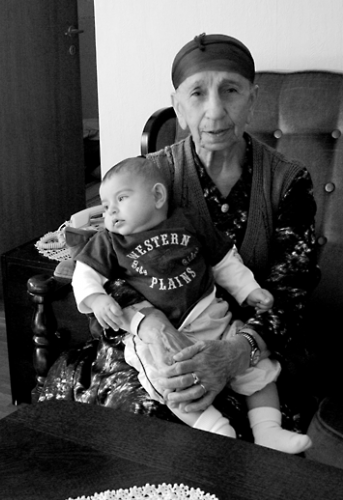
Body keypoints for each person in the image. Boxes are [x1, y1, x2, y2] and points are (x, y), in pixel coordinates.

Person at [40, 33, 320, 445]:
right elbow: (104, 267)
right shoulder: (149, 178)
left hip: (248, 342)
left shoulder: (287, 181)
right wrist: (145, 319)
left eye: (231, 90)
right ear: (178, 107)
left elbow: (291, 293)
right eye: (197, 93)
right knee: (144, 418)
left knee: (261, 428)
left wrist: (237, 351)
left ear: (253, 99)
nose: (215, 111)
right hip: (155, 342)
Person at [73, 156, 311, 453]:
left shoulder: (187, 221)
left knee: (257, 365)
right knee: (167, 378)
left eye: (121, 199)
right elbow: (84, 273)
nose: (111, 211)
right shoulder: (110, 241)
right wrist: (96, 298)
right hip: (156, 335)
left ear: (158, 196)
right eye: (105, 205)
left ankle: (269, 431)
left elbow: (223, 260)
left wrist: (248, 290)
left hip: (209, 315)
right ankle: (215, 429)